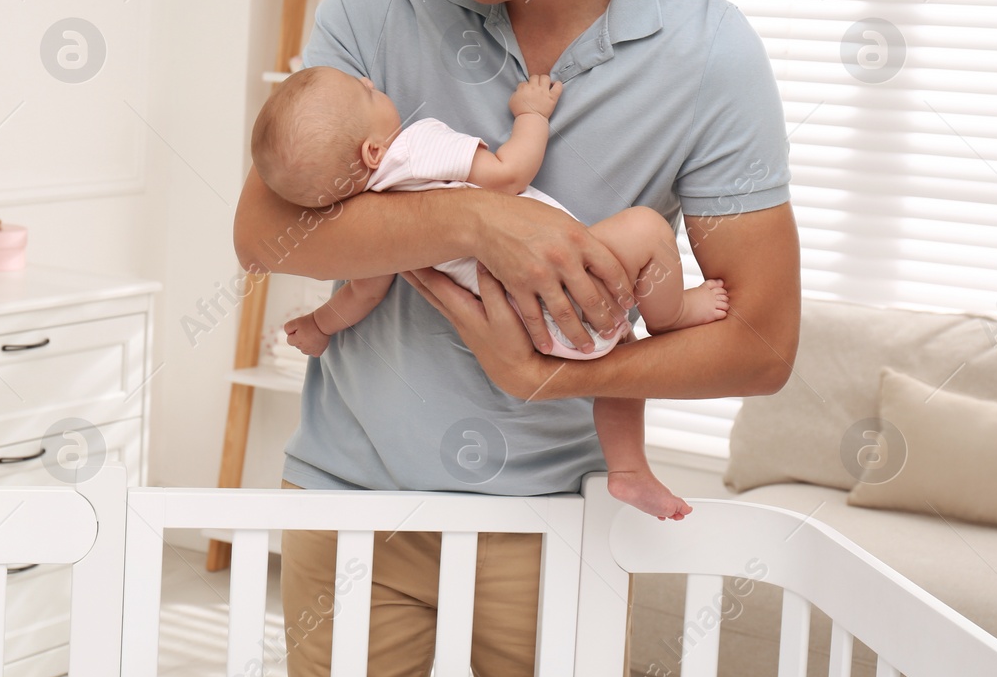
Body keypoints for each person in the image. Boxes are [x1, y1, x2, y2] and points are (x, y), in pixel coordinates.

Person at [233, 0, 799, 677]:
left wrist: (547, 377)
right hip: (350, 497)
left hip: (557, 524)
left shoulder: (707, 55)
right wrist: (478, 223)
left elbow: (761, 343)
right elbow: (263, 233)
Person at [251, 64, 731, 519]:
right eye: (366, 92)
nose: (369, 79)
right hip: (565, 288)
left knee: (618, 357)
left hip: (530, 331)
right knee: (647, 230)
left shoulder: (378, 227)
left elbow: (363, 296)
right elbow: (508, 173)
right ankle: (672, 315)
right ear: (374, 153)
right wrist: (532, 114)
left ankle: (627, 471)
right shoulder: (415, 148)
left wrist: (318, 326)